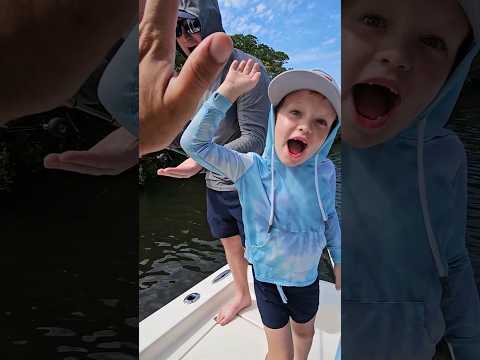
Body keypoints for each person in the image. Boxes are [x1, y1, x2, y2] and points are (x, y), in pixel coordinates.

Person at [341, 0, 480, 358]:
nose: (397, 55)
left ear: (453, 72)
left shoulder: (444, 154)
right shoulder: (311, 147)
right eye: (373, 20)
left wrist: (468, 346)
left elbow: (454, 260)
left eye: (433, 42)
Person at [180, 61, 341, 360]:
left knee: (305, 334)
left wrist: (340, 260)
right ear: (274, 116)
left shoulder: (326, 172)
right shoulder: (248, 167)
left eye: (321, 122)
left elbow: (329, 218)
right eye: (295, 112)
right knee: (279, 353)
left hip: (307, 280)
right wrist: (226, 93)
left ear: (330, 135)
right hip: (267, 282)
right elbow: (194, 144)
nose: (305, 126)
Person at [158, 0, 271, 326]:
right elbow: (185, 133)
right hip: (214, 183)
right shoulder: (184, 79)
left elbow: (255, 139)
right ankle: (242, 293)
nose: (186, 35)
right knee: (229, 243)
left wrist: (198, 161)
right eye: (178, 29)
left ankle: (272, 312)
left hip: (249, 183)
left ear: (213, 25)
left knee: (261, 252)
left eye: (193, 25)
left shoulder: (247, 67)